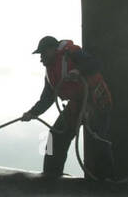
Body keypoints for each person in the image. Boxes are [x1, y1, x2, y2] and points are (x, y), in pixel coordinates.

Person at [21, 36, 114, 179]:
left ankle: (106, 180)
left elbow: (95, 64)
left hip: (97, 101)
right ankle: (51, 174)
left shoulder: (71, 53)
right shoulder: (51, 73)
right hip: (76, 104)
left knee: (98, 140)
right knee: (55, 136)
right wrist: (32, 113)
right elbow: (47, 98)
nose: (41, 58)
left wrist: (79, 71)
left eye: (43, 53)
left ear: (53, 49)